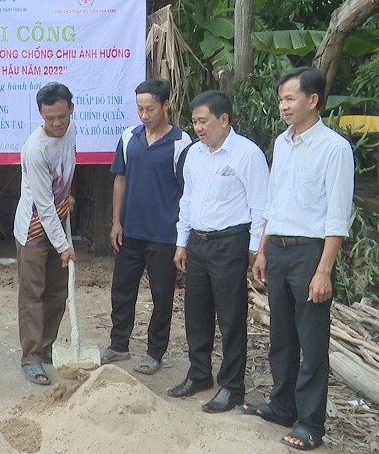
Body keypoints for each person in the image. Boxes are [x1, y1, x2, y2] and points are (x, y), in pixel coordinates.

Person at [246, 67, 354, 451]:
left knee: (311, 341)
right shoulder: (283, 142)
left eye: (290, 99)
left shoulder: (334, 149)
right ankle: (281, 405)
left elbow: (337, 217)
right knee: (282, 336)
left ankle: (310, 424)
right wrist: (262, 250)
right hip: (278, 249)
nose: (283, 106)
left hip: (311, 253)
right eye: (280, 100)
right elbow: (273, 203)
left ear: (313, 100)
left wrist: (323, 270)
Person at [168, 91, 269, 412]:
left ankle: (232, 386)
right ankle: (199, 374)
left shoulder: (246, 154)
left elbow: (260, 206)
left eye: (203, 121)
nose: (197, 128)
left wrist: (255, 250)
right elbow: (187, 200)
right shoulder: (194, 154)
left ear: (223, 120)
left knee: (230, 317)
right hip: (197, 243)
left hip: (230, 243)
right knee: (196, 313)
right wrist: (182, 241)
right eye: (194, 121)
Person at [103, 79, 192, 375]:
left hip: (165, 235)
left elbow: (187, 192)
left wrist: (182, 237)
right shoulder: (129, 137)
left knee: (162, 295)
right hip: (130, 231)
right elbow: (120, 178)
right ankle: (118, 345)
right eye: (139, 108)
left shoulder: (182, 143)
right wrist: (117, 221)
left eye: (150, 108)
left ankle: (155, 351)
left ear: (166, 105)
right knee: (122, 290)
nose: (144, 114)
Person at [13, 82, 78, 386]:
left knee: (57, 292)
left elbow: (66, 171)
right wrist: (64, 247)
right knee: (33, 295)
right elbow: (43, 206)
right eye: (50, 118)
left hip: (58, 217)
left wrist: (68, 195)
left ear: (71, 110)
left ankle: (47, 345)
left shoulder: (72, 131)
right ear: (40, 114)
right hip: (35, 229)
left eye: (61, 117)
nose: (56, 124)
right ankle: (31, 356)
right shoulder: (35, 149)